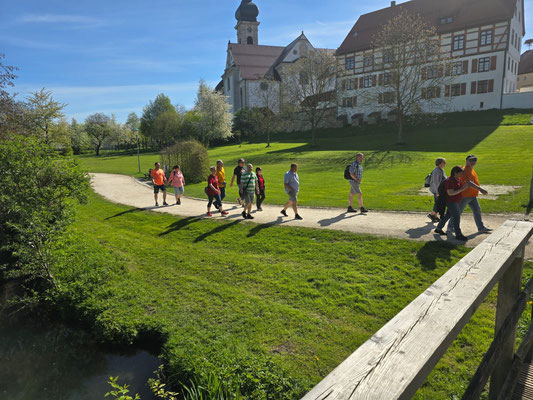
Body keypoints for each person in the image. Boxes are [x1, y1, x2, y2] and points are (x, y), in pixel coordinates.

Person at [434, 166, 469, 241]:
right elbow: (450, 193)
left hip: (455, 201)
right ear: (455, 173)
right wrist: (462, 189)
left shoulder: (457, 179)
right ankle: (458, 234)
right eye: (460, 174)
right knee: (456, 217)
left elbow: (457, 188)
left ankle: (438, 228)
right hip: (451, 201)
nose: (461, 175)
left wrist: (464, 186)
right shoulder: (450, 181)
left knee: (448, 215)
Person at [460, 154, 491, 233]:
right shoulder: (465, 170)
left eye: (475, 160)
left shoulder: (471, 169)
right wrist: (481, 189)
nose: (473, 162)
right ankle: (450, 227)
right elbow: (469, 183)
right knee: (458, 212)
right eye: (471, 160)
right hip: (465, 196)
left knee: (477, 210)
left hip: (472, 196)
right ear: (466, 161)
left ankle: (481, 228)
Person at [428, 158, 447, 222]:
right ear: (439, 163)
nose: (445, 164)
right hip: (437, 190)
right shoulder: (437, 171)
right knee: (438, 203)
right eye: (443, 162)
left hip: (440, 190)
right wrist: (437, 192)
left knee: (438, 203)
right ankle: (433, 215)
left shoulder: (441, 170)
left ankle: (434, 215)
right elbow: (436, 182)